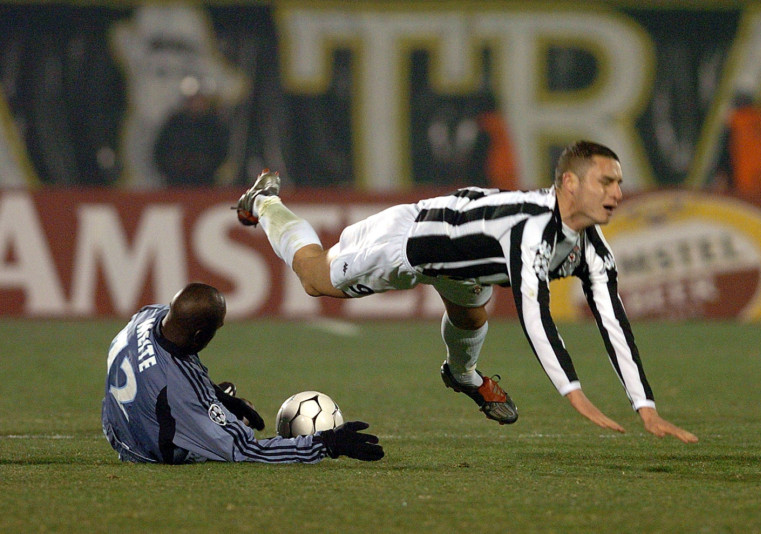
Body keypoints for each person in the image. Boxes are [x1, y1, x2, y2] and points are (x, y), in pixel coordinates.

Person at [236, 141, 698, 443]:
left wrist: (644, 405)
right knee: (314, 277)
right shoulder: (532, 231)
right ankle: (265, 201)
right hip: (407, 246)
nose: (617, 193)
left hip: (464, 264)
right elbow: (536, 316)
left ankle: (464, 377)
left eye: (619, 182)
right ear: (570, 184)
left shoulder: (591, 249)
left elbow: (614, 323)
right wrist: (573, 392)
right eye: (606, 182)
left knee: (471, 317)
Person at [101, 282, 384, 464]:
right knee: (236, 435)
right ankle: (208, 411)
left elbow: (168, 368)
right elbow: (246, 451)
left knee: (221, 402)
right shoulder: (179, 388)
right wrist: (328, 443)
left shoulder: (148, 316)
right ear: (200, 335)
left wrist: (222, 398)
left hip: (116, 424)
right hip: (149, 450)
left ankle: (212, 403)